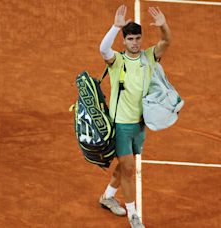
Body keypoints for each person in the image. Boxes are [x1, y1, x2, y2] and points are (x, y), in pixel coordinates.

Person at [98, 4, 171, 228]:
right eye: (130, 39)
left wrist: (163, 26)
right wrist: (114, 26)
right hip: (121, 124)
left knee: (125, 165)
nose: (135, 43)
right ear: (124, 40)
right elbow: (103, 50)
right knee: (129, 167)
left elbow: (166, 42)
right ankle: (133, 214)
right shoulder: (117, 61)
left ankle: (107, 196)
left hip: (140, 124)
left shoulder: (149, 57)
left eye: (138, 38)